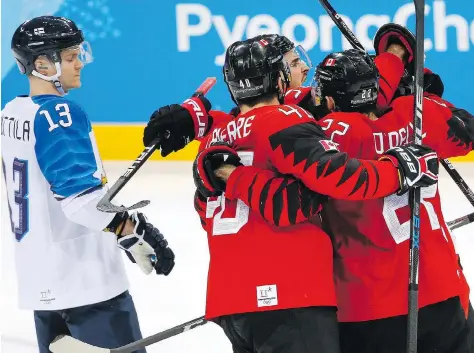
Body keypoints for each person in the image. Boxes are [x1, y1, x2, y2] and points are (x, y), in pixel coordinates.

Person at [190, 36, 438, 353]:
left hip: (229, 301)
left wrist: (392, 60)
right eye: (292, 64)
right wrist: (400, 170)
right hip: (289, 295)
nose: (303, 69)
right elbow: (339, 178)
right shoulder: (287, 120)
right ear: (276, 78)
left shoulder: (213, 140)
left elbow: (204, 213)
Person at [2, 16, 175, 353]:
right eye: (69, 58)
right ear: (41, 64)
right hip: (88, 290)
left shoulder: (12, 112)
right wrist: (133, 227)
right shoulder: (59, 114)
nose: (79, 64)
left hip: (42, 285)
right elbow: (81, 202)